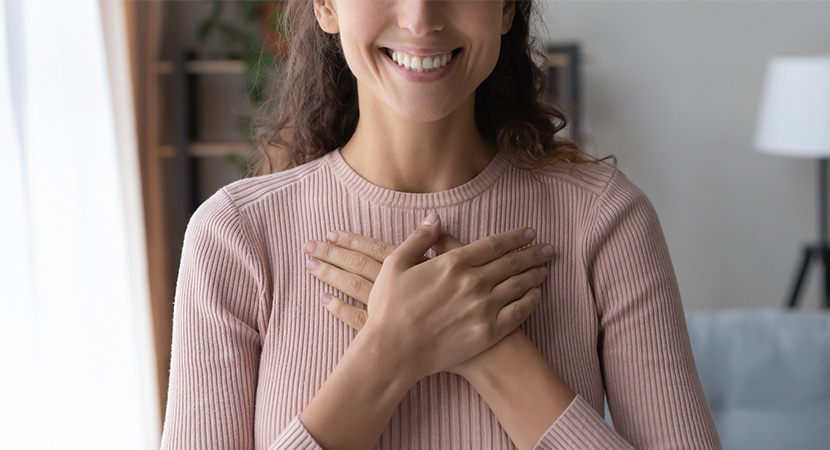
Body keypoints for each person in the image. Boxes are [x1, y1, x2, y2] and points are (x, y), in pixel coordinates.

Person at [160, 1, 722, 449]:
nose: (420, 17)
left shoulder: (605, 221)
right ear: (326, 7)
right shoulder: (235, 236)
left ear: (507, 9)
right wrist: (389, 352)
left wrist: (492, 351)